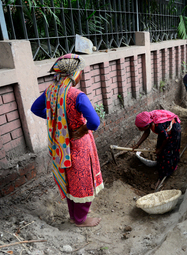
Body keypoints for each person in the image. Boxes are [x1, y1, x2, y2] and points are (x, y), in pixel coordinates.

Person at [31, 54, 103, 227]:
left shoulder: (51, 91)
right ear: (74, 74)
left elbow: (35, 108)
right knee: (82, 180)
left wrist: (55, 120)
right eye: (80, 72)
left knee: (69, 178)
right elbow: (94, 122)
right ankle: (80, 219)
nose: (81, 75)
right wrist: (83, 129)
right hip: (78, 142)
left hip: (60, 144)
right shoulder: (77, 95)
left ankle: (75, 213)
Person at [133, 110, 181, 188]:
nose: (139, 130)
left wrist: (160, 149)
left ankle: (166, 172)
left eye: (140, 128)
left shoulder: (158, 125)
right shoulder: (149, 121)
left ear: (147, 125)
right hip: (165, 130)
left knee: (168, 152)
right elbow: (146, 132)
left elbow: (166, 138)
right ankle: (161, 166)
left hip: (173, 130)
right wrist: (137, 145)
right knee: (159, 148)